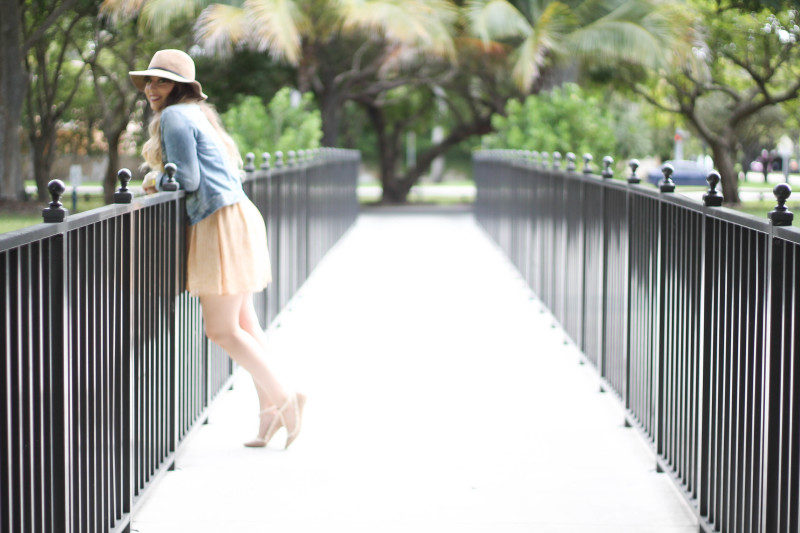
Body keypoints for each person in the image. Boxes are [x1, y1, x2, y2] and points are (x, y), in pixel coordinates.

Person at [130, 49, 305, 449]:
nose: (152, 89)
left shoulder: (175, 116)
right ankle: (268, 415)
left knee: (221, 329)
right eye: (150, 82)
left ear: (180, 87)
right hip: (237, 215)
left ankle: (286, 398)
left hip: (218, 222)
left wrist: (154, 179)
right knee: (245, 324)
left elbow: (187, 178)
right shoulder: (198, 115)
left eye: (161, 81)